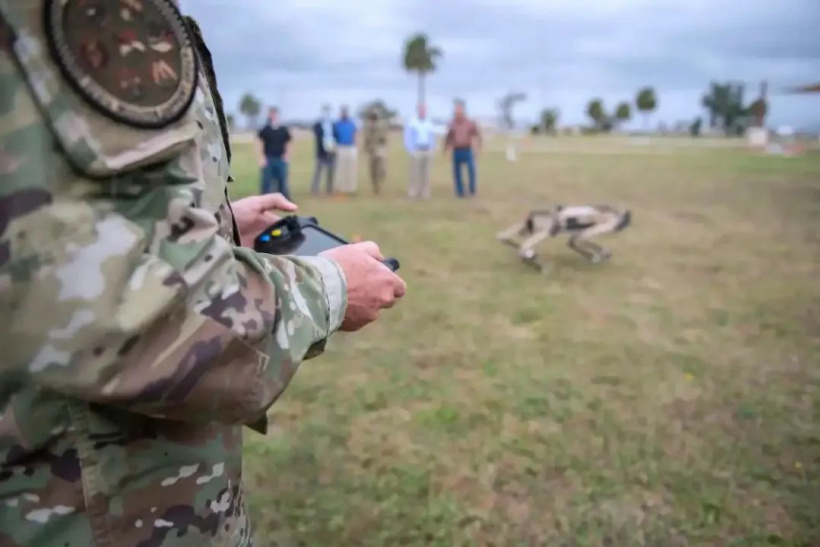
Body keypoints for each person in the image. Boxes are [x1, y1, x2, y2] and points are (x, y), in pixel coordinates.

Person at [0, 7, 406, 547]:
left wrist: (218, 225)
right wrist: (328, 289)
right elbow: (112, 312)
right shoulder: (75, 17)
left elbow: (68, 234)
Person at [443, 99, 482, 198]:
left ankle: (472, 189)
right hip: (456, 150)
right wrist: (445, 148)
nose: (458, 114)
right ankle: (460, 192)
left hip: (467, 149)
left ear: (463, 112)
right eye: (456, 112)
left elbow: (477, 134)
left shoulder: (469, 123)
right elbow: (448, 137)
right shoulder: (452, 124)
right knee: (457, 172)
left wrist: (478, 147)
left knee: (471, 169)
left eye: (459, 112)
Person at [257, 106, 292, 199]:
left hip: (280, 158)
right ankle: (265, 199)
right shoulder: (265, 129)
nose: (273, 116)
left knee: (282, 179)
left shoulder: (283, 130)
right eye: (271, 114)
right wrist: (261, 157)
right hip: (268, 157)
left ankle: (283, 198)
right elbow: (260, 142)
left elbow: (287, 142)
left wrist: (287, 155)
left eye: (275, 114)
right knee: (267, 180)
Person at [404, 103, 437, 200]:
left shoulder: (429, 122)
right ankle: (413, 192)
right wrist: (410, 149)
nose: (423, 112)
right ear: (418, 110)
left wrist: (432, 148)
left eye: (424, 110)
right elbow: (408, 137)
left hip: (427, 149)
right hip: (416, 150)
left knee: (426, 173)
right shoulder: (412, 122)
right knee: (415, 173)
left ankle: (425, 193)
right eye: (421, 110)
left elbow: (432, 137)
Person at [332, 105, 359, 195]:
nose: (344, 114)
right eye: (343, 112)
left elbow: (355, 134)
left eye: (345, 112)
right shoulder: (337, 124)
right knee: (340, 169)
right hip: (341, 147)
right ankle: (340, 188)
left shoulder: (352, 123)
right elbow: (334, 136)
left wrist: (356, 146)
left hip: (351, 147)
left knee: (351, 169)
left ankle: (350, 188)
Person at [362, 108, 390, 195]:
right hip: (371, 149)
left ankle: (380, 182)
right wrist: (366, 148)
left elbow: (385, 138)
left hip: (380, 148)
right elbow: (366, 139)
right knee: (373, 170)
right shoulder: (367, 126)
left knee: (382, 168)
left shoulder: (382, 125)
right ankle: (375, 185)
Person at [311, 104, 336, 195]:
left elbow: (335, 136)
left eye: (328, 111)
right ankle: (315, 189)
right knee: (318, 171)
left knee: (331, 171)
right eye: (325, 111)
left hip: (331, 150)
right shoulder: (318, 124)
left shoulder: (333, 124)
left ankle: (329, 188)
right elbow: (317, 135)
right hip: (321, 151)